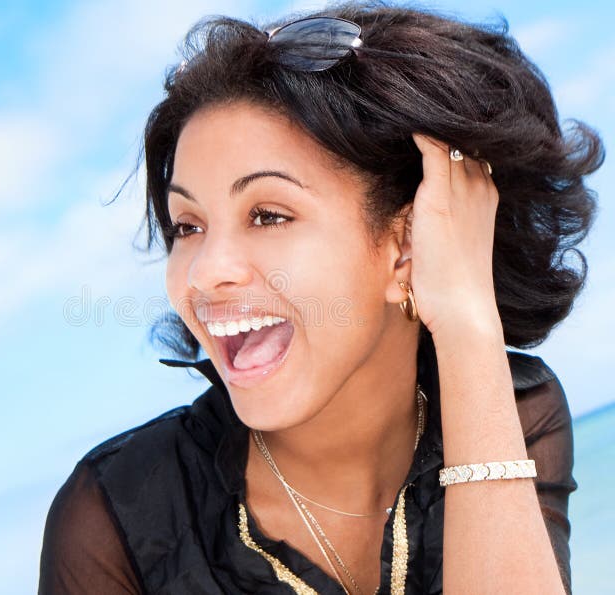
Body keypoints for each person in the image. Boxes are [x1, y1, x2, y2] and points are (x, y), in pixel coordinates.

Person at [38, 3, 602, 594]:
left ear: (410, 245)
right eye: (187, 226)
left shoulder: (512, 411)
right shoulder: (116, 521)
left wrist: (467, 323)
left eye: (267, 215)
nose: (204, 273)